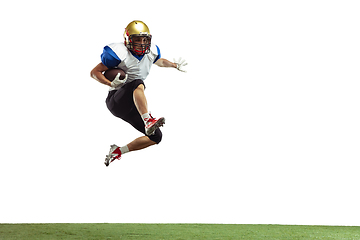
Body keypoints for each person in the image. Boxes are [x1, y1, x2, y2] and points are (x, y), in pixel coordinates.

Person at [90, 20, 187, 166]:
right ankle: (148, 120)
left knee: (155, 137)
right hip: (116, 100)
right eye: (137, 39)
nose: (142, 43)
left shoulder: (152, 51)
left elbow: (159, 61)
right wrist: (110, 83)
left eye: (144, 39)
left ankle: (118, 151)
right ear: (128, 39)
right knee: (137, 83)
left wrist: (174, 65)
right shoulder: (118, 52)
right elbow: (94, 72)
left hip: (132, 105)